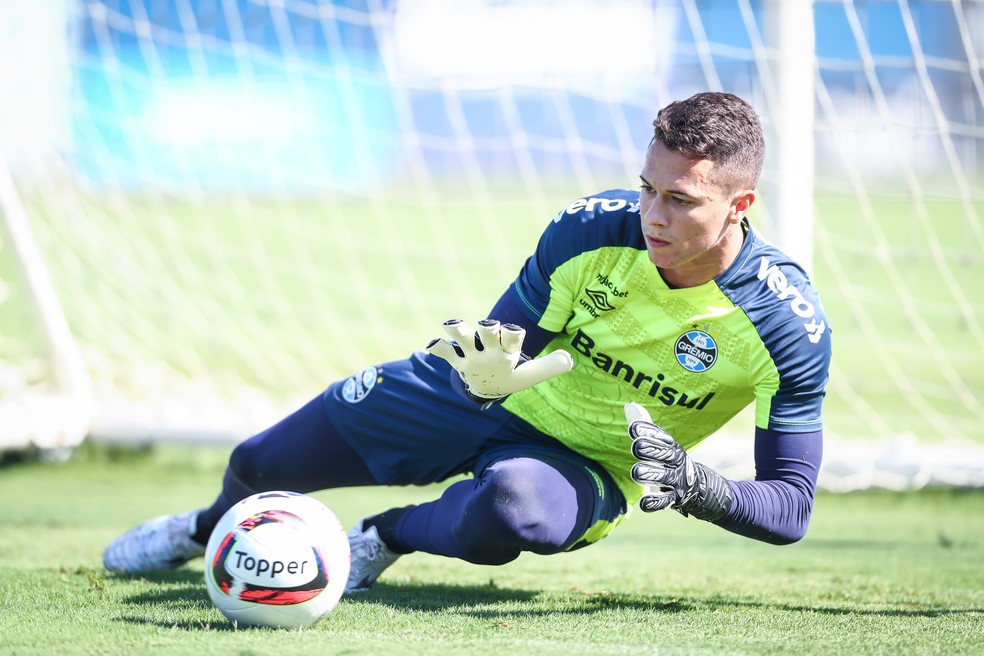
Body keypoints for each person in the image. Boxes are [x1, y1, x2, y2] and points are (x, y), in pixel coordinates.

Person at [103, 92, 831, 592]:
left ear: (741, 206)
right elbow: (500, 347)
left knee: (515, 511)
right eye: (647, 188)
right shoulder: (589, 231)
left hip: (587, 461)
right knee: (259, 462)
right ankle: (203, 532)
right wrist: (483, 372)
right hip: (487, 403)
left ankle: (383, 538)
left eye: (680, 200)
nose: (652, 214)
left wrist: (695, 485)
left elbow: (791, 508)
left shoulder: (783, 326)